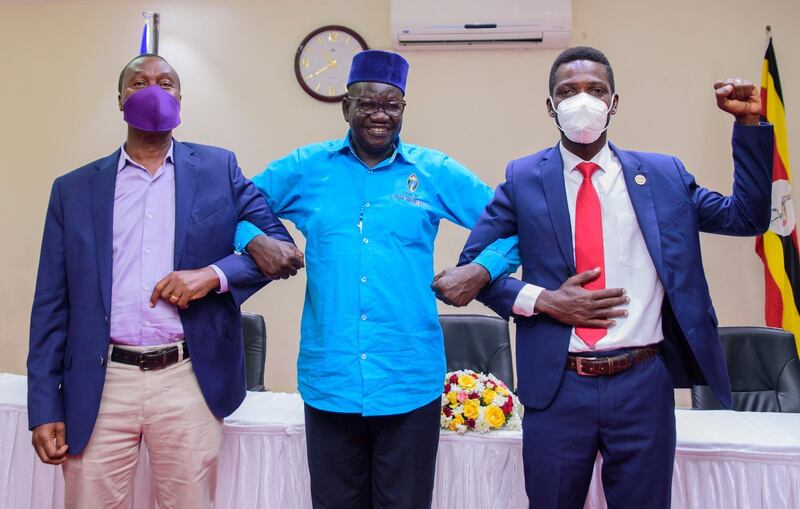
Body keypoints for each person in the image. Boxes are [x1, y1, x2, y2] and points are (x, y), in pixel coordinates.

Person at [433, 46, 773, 509]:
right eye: (567, 92)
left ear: (614, 103)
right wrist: (544, 300)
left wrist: (748, 126)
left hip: (642, 382)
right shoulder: (524, 177)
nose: (583, 100)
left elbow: (747, 218)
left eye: (596, 90)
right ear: (551, 107)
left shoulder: (663, 175)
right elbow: (473, 271)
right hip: (558, 385)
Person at [235, 50, 518, 509]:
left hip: (409, 378)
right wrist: (254, 239)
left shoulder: (433, 171)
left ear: (403, 109)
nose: (379, 115)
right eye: (367, 104)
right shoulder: (308, 167)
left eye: (391, 105)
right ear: (346, 107)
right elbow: (232, 205)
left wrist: (481, 269)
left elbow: (514, 222)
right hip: (331, 377)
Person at [27, 53, 303, 509]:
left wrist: (212, 276)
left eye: (166, 82)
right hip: (100, 381)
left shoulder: (219, 169)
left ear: (180, 99)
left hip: (187, 377)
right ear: (120, 100)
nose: (153, 90)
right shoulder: (73, 189)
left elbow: (280, 249)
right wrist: (44, 405)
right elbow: (50, 305)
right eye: (139, 83)